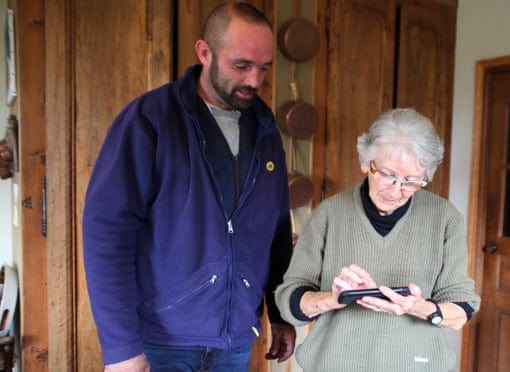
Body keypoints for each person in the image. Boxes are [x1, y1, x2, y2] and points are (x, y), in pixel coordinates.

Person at [82, 2, 296, 371]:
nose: (254, 81)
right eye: (241, 65)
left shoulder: (265, 131)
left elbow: (275, 232)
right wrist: (120, 347)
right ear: (204, 52)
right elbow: (107, 233)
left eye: (264, 68)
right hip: (161, 342)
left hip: (235, 343)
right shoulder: (149, 120)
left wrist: (278, 312)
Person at [275, 108, 480, 371]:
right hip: (335, 364)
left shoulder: (444, 218)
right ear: (366, 163)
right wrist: (335, 298)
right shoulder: (329, 214)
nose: (396, 190)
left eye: (411, 180)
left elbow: (462, 307)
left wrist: (419, 307)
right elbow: (289, 300)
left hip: (416, 365)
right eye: (386, 174)